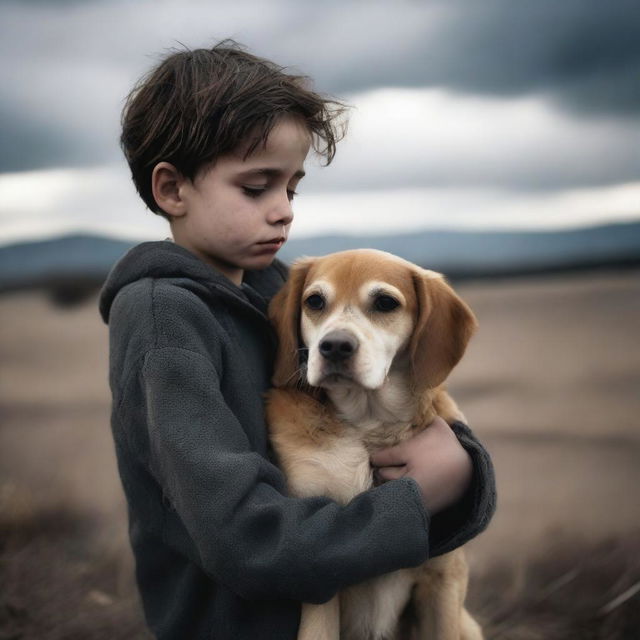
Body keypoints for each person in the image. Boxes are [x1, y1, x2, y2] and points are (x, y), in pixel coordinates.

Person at [99, 41, 496, 640]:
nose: (283, 211)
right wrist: (413, 504)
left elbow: (408, 419)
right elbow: (243, 538)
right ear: (172, 190)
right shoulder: (164, 320)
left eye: (293, 187)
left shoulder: (286, 294)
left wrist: (466, 469)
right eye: (257, 188)